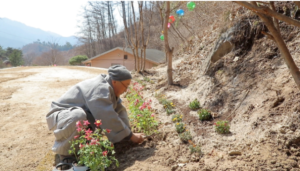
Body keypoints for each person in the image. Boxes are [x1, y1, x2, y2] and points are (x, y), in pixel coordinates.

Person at [46, 65, 144, 161]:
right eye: (125, 86)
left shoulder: (110, 88)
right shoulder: (100, 88)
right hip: (61, 116)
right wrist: (131, 136)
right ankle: (67, 155)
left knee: (85, 118)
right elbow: (106, 115)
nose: (126, 90)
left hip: (70, 116)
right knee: (78, 117)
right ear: (115, 81)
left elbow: (120, 111)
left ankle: (81, 146)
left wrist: (128, 136)